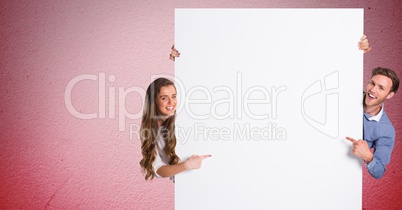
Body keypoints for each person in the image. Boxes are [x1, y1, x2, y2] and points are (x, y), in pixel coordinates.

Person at [139, 77, 211, 180]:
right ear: (153, 101)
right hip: (183, 186)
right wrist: (186, 165)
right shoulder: (149, 132)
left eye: (173, 96)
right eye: (164, 98)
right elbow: (158, 170)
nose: (171, 102)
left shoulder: (184, 118)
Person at [346, 67, 399, 179]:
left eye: (381, 88)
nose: (373, 90)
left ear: (389, 95)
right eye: (372, 83)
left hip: (341, 167)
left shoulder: (387, 131)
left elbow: (379, 172)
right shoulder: (349, 94)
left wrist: (368, 156)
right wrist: (353, 51)